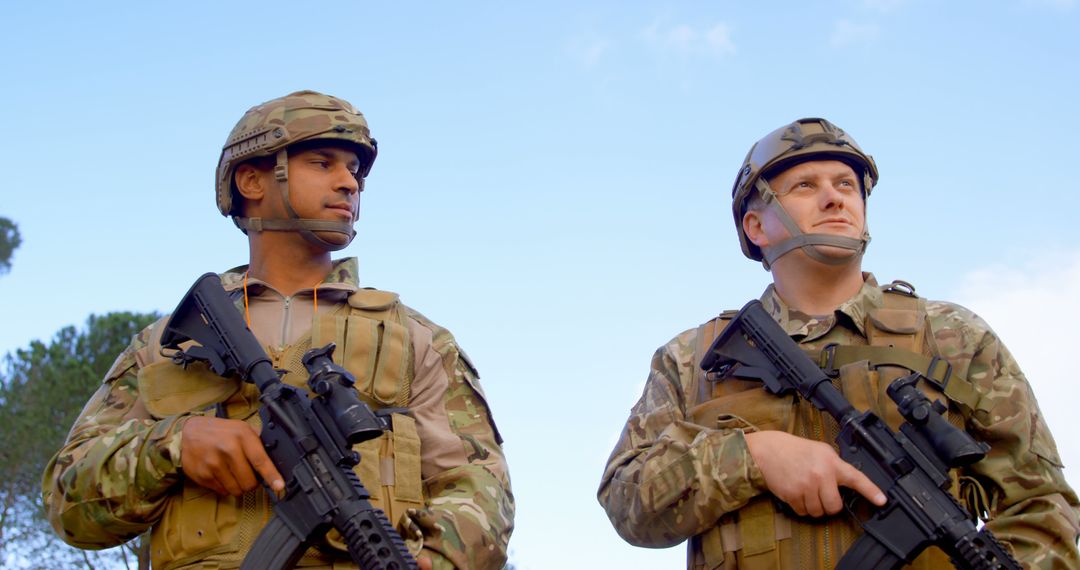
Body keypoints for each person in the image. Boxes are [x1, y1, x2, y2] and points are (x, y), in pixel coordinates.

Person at [43, 90, 514, 570]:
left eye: (354, 170)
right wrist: (175, 445)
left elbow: (479, 491)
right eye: (322, 163)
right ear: (251, 179)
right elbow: (67, 502)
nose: (348, 183)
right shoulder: (167, 345)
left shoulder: (416, 340)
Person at [597, 117, 1079, 568]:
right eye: (806, 186)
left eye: (846, 185)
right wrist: (754, 457)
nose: (834, 198)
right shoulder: (694, 357)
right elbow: (627, 501)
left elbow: (1042, 504)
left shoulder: (953, 336)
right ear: (756, 226)